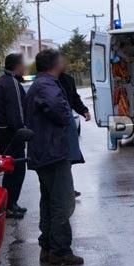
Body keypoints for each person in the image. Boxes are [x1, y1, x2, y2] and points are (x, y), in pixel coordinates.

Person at [24, 49, 83, 265]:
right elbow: (60, 113)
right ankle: (60, 250)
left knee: (49, 201)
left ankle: (48, 247)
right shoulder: (47, 85)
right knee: (62, 202)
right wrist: (67, 115)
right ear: (53, 65)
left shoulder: (39, 84)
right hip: (53, 153)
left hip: (44, 152)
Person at [0, 53, 28, 219]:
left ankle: (11, 203)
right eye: (23, 64)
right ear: (17, 66)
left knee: (12, 167)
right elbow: (16, 112)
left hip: (2, 130)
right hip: (9, 132)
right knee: (16, 168)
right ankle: (9, 205)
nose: (25, 67)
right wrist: (23, 131)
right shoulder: (11, 83)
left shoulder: (3, 81)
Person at [58, 61, 91, 198]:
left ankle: (68, 189)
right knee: (60, 161)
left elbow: (74, 98)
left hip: (68, 122)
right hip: (55, 127)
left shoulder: (67, 79)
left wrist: (83, 110)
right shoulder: (46, 82)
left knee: (68, 160)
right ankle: (63, 191)